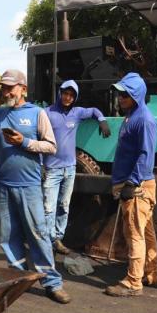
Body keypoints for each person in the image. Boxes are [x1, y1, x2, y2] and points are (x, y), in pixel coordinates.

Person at [0, 69, 71, 304]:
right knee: (8, 236)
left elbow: (51, 147)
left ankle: (52, 283)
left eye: (10, 87)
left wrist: (23, 142)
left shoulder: (37, 113)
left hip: (29, 186)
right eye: (3, 88)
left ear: (23, 88)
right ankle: (19, 278)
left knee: (38, 235)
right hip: (3, 185)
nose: (6, 91)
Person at [105, 72, 157, 297]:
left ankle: (133, 282)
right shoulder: (131, 116)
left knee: (134, 234)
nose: (121, 98)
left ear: (136, 96)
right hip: (136, 183)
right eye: (119, 94)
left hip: (137, 186)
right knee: (146, 231)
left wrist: (131, 182)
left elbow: (146, 154)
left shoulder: (144, 120)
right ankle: (150, 272)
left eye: (125, 95)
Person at [43, 80, 111, 254]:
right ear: (60, 93)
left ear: (75, 98)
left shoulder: (77, 113)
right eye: (65, 93)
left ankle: (57, 238)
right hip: (52, 169)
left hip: (70, 168)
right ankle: (47, 241)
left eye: (72, 95)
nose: (68, 97)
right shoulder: (47, 113)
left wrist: (102, 121)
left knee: (64, 206)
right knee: (48, 207)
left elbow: (95, 111)